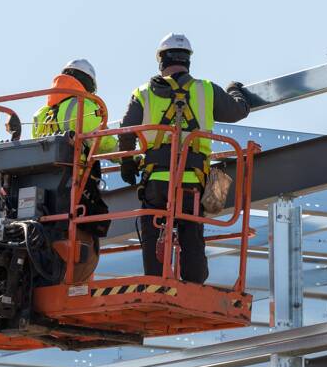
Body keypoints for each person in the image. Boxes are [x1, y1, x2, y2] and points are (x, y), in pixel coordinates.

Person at [118, 34, 250, 283]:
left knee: (153, 226)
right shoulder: (206, 89)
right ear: (188, 60)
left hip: (156, 178)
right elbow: (238, 111)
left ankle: (156, 281)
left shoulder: (144, 92)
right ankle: (194, 281)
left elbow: (126, 130)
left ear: (161, 60)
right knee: (191, 227)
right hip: (193, 180)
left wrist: (126, 161)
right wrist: (235, 90)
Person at [33, 59, 116, 238]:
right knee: (99, 219)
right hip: (74, 186)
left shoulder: (41, 114)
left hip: (43, 190)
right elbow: (103, 142)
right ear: (88, 84)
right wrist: (127, 157)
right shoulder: (82, 105)